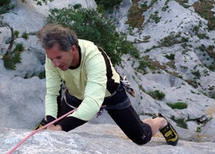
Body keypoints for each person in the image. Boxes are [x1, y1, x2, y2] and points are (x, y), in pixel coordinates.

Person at [35, 24, 178, 146]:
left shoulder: (94, 57)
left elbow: (92, 104)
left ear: (72, 49)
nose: (55, 64)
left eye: (59, 58)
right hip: (77, 93)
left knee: (141, 137)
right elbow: (53, 93)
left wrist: (60, 128)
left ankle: (159, 122)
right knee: (45, 129)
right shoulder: (53, 57)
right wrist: (51, 122)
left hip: (110, 95)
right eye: (51, 58)